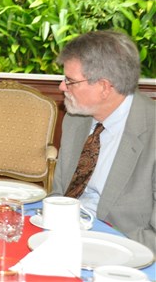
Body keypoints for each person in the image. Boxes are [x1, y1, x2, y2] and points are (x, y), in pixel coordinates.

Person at [51, 30, 155, 253]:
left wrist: (101, 246)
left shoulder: (151, 132)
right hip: (64, 239)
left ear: (104, 87)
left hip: (122, 249)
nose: (61, 87)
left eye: (70, 81)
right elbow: (59, 194)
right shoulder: (74, 120)